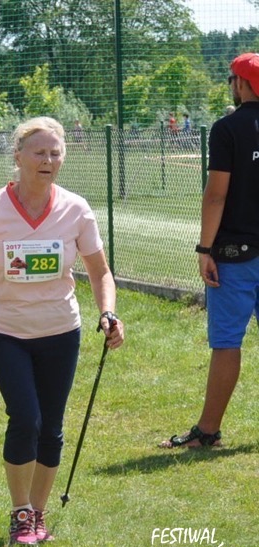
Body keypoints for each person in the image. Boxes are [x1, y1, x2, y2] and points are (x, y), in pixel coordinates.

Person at [0, 116, 125, 546]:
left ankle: (38, 513)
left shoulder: (76, 209)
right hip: (4, 332)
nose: (48, 160)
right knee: (25, 417)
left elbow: (100, 272)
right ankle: (19, 513)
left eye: (55, 153)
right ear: (18, 157)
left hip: (60, 331)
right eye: (39, 152)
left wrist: (107, 313)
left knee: (51, 426)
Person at [161, 53, 259, 450]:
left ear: (241, 84)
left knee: (227, 343)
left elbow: (216, 195)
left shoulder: (227, 128)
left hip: (235, 255)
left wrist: (205, 248)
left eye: (233, 79)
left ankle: (207, 432)